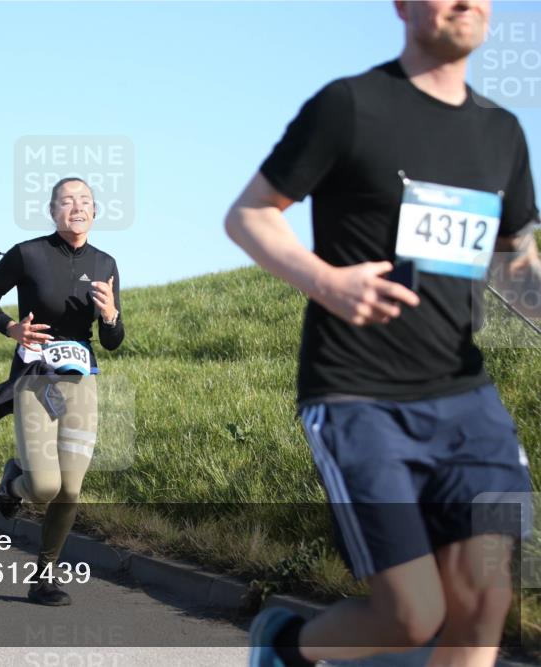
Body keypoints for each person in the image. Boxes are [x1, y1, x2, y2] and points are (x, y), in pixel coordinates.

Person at [225, 2, 540, 666]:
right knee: (411, 614)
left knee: (484, 602)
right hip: (356, 395)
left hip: (467, 400)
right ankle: (284, 645)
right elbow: (249, 214)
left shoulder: (503, 132)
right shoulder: (350, 105)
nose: (468, 3)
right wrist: (326, 282)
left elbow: (514, 261)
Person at [0, 177, 124, 606]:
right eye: (66, 201)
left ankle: (44, 576)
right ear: (52, 211)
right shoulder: (28, 254)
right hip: (35, 377)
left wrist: (111, 315)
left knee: (70, 490)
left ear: (95, 212)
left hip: (81, 382)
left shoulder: (106, 263)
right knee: (42, 486)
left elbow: (113, 340)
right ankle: (11, 486)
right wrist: (11, 328)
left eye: (85, 201)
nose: (76, 207)